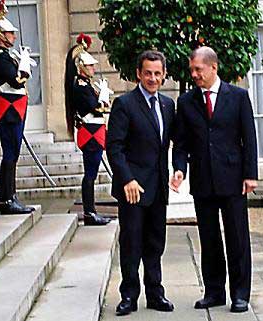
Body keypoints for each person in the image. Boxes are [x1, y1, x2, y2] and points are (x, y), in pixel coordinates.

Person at [171, 46, 258, 313]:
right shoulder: (186, 102)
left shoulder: (239, 97)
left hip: (233, 180)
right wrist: (179, 169)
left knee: (237, 238)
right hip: (203, 181)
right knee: (208, 239)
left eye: (198, 69)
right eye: (192, 70)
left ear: (213, 68)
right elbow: (181, 143)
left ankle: (240, 293)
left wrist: (250, 175)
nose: (194, 75)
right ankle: (214, 291)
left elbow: (249, 138)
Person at [106, 50, 175, 316]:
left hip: (158, 187)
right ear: (138, 73)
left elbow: (172, 142)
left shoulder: (168, 105)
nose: (153, 78)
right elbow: (114, 147)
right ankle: (129, 295)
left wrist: (178, 169)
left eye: (158, 73)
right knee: (132, 242)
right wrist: (127, 179)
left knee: (156, 242)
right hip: (132, 189)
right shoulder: (124, 104)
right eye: (148, 73)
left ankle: (155, 293)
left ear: (164, 75)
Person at [0, 1, 36, 214]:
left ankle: (10, 196)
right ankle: (7, 199)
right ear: (0, 35)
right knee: (9, 153)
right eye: (9, 33)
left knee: (13, 153)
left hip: (15, 108)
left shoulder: (7, 54)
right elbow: (15, 80)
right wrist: (24, 68)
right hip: (9, 109)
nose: (14, 36)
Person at [64, 33, 111, 226]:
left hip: (94, 132)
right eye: (90, 66)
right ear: (81, 68)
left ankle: (91, 211)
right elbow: (95, 107)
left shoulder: (86, 85)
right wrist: (103, 97)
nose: (93, 68)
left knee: (91, 173)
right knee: (90, 174)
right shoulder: (81, 87)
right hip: (90, 134)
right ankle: (89, 212)